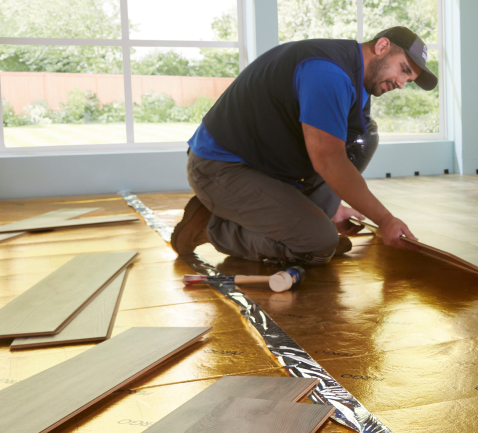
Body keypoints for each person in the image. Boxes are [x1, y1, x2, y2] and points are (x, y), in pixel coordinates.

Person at [170, 26, 437, 265]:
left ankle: (308, 226)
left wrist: (334, 208)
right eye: (403, 69)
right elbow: (328, 160)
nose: (402, 84)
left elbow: (328, 151)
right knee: (317, 244)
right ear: (382, 46)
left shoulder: (355, 77)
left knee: (361, 139)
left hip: (266, 167)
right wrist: (386, 220)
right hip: (219, 167)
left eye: (409, 80)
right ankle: (212, 227)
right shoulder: (328, 73)